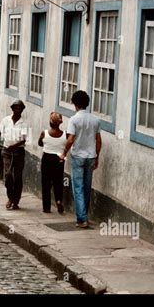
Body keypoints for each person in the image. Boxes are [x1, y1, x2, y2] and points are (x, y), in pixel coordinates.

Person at [60, 91, 101, 229]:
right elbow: (98, 140)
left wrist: (64, 152)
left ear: (75, 104)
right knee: (86, 187)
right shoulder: (95, 120)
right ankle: (84, 215)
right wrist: (97, 156)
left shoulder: (74, 120)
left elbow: (70, 139)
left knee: (78, 188)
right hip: (91, 156)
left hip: (78, 156)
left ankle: (82, 219)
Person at [0, 99, 28, 210]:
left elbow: (24, 140)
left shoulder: (24, 123)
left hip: (19, 152)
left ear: (22, 110)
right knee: (8, 175)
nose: (18, 110)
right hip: (6, 152)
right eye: (16, 108)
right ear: (12, 109)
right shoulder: (6, 120)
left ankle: (16, 201)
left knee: (18, 177)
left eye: (20, 108)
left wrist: (14, 146)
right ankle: (10, 197)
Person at [38, 112, 66, 214]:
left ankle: (46, 207)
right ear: (60, 122)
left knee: (46, 183)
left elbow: (40, 143)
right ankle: (58, 200)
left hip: (47, 158)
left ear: (50, 122)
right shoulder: (65, 135)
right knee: (58, 181)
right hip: (59, 159)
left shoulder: (44, 133)